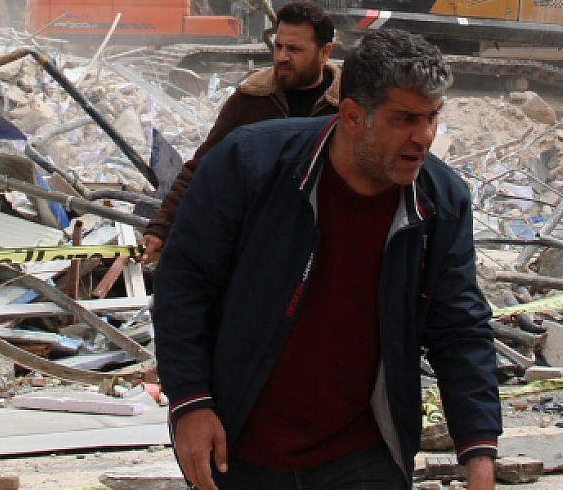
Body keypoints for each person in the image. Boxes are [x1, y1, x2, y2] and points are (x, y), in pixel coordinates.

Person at [154, 29, 501, 490]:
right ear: (353, 116)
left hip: (364, 454)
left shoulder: (439, 201)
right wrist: (190, 403)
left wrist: (479, 453)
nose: (424, 137)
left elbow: (459, 326)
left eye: (432, 117)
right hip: (242, 444)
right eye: (404, 119)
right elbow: (184, 284)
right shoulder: (250, 166)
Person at [140, 0, 339, 262]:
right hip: (259, 250)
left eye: (294, 49)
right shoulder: (251, 100)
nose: (282, 57)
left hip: (327, 249)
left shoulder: (348, 106)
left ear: (324, 52)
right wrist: (161, 228)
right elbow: (203, 168)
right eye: (278, 46)